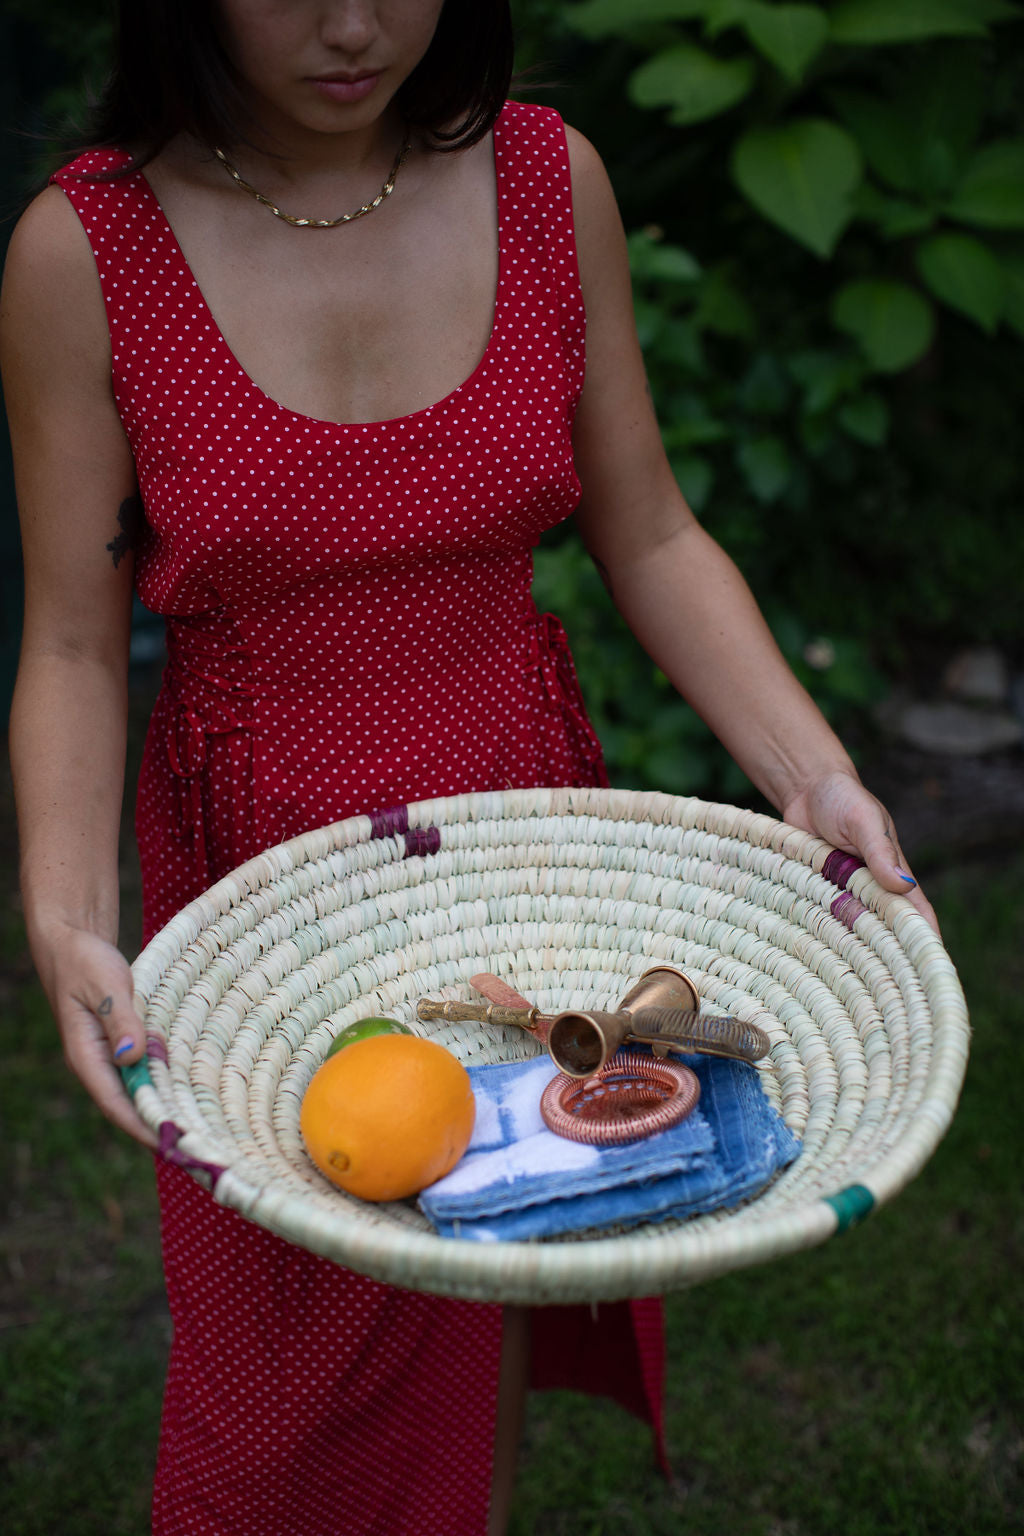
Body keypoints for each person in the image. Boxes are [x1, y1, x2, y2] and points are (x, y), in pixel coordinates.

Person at [1, 2, 938, 1532]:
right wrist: (62, 919)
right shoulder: (86, 251)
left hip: (519, 847)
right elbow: (70, 646)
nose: (356, 24)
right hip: (264, 880)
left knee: (484, 1252)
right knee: (285, 1366)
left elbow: (651, 532)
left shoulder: (545, 177)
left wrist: (811, 773)